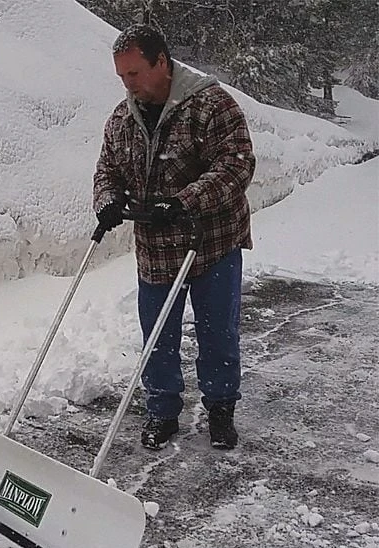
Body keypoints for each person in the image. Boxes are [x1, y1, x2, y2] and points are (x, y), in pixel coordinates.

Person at [93, 24, 256, 450]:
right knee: (157, 337)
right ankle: (163, 410)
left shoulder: (211, 105)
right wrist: (108, 199)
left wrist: (185, 202)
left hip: (211, 242)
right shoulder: (122, 120)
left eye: (134, 73)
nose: (128, 84)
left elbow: (237, 165)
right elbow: (107, 169)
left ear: (162, 62)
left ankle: (220, 408)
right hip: (156, 249)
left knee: (217, 333)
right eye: (122, 76)